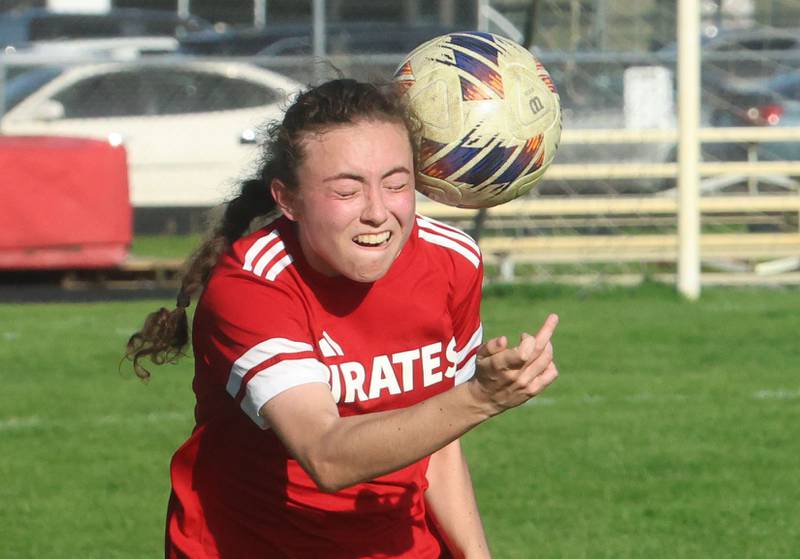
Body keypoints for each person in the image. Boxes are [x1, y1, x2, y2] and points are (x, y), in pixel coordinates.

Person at [127, 78, 559, 559]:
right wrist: (478, 398)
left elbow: (437, 440)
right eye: (347, 190)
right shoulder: (252, 284)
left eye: (397, 184)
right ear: (288, 199)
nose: (378, 212)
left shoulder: (452, 261)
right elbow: (325, 455)